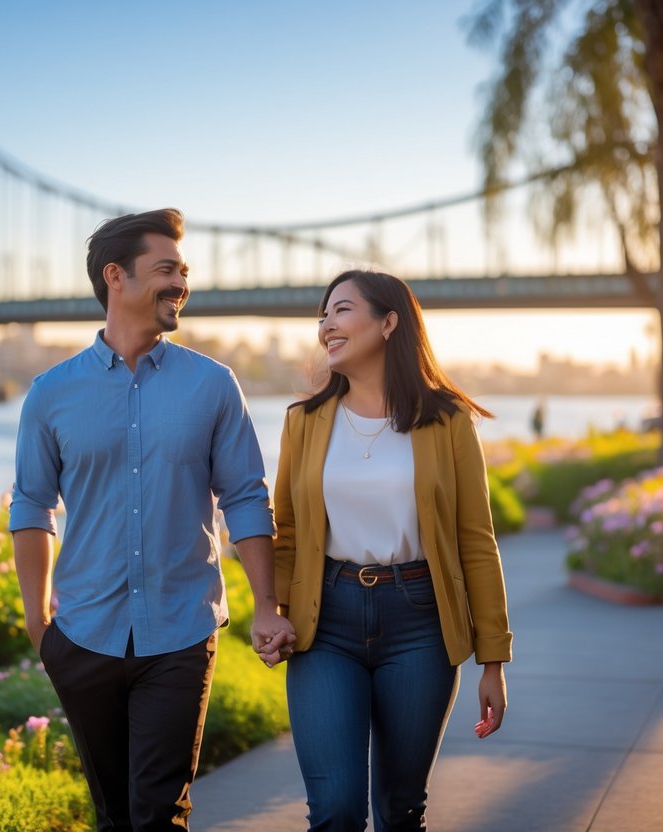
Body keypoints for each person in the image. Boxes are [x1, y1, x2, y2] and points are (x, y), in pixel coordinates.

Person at [9, 208, 294, 831]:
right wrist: (39, 627)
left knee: (160, 813)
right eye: (166, 270)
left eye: (183, 271)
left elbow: (245, 496)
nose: (180, 284)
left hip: (181, 633)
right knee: (113, 815)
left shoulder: (213, 385)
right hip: (83, 635)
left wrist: (267, 605)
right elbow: (32, 505)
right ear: (116, 276)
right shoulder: (50, 393)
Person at [269, 269, 513, 832]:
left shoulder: (448, 421)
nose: (327, 324)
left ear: (389, 322)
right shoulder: (302, 422)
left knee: (401, 812)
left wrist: (493, 661)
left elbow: (476, 540)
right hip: (325, 625)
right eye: (323, 314)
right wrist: (274, 610)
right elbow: (286, 530)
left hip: (421, 624)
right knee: (334, 811)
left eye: (342, 310)